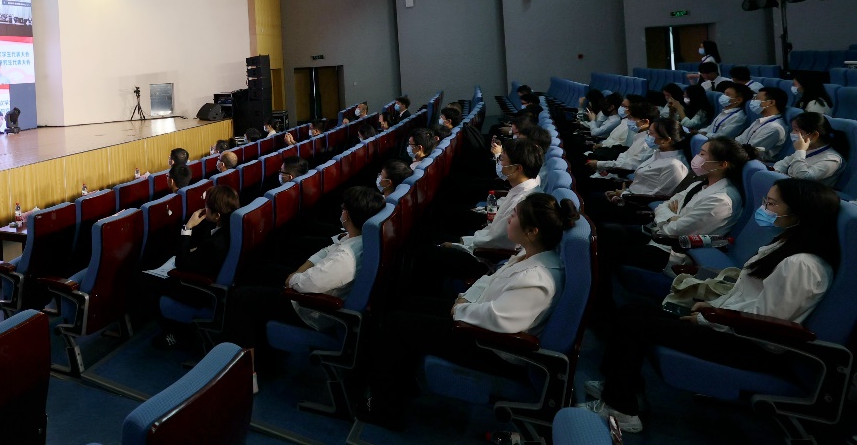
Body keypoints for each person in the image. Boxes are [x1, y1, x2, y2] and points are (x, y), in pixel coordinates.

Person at [584, 179, 840, 434]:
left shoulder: (801, 265)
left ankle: (622, 410)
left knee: (635, 323)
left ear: (799, 214)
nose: (764, 209)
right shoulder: (784, 245)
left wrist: (709, 317)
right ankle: (624, 390)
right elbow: (750, 298)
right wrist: (711, 305)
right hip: (732, 326)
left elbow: (766, 326)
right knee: (633, 312)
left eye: (772, 204)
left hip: (747, 345)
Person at [355, 193, 580, 430]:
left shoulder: (538, 279)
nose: (508, 219)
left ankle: (384, 410)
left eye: (514, 216)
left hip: (492, 348)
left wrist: (461, 310)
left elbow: (498, 321)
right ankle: (401, 382)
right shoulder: (529, 254)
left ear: (532, 231)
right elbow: (490, 279)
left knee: (395, 324)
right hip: (475, 316)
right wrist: (465, 299)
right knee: (407, 303)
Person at [220, 187, 387, 372]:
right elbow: (326, 251)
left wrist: (293, 278)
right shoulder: (359, 239)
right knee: (256, 273)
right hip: (310, 290)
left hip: (310, 308)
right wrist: (298, 272)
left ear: (347, 214)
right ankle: (264, 357)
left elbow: (303, 285)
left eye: (343, 208)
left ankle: (246, 373)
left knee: (239, 297)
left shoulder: (345, 258)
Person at [594, 137, 751, 307]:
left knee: (607, 251)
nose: (697, 157)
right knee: (607, 233)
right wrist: (671, 216)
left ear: (722, 164)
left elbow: (672, 231)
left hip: (672, 252)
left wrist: (671, 217)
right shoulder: (701, 183)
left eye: (702, 154)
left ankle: (602, 304)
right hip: (659, 235)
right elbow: (664, 205)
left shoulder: (721, 200)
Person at [143, 184, 240, 349]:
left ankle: (172, 333)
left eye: (207, 207)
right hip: (214, 283)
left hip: (200, 290)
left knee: (146, 281)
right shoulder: (230, 229)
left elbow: (181, 264)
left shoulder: (215, 243)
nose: (204, 209)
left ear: (217, 215)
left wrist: (187, 227)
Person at [585, 118, 691, 225]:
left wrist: (624, 195)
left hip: (639, 208)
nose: (647, 136)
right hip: (630, 196)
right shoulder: (658, 153)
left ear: (666, 140)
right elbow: (645, 182)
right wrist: (624, 191)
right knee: (591, 197)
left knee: (592, 203)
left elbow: (658, 198)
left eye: (651, 133)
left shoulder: (675, 166)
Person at [773, 112, 848, 188]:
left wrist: (800, 151)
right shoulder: (809, 149)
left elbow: (802, 178)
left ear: (815, 135)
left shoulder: (832, 159)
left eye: (796, 130)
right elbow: (782, 164)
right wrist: (777, 173)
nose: (792, 133)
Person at [734, 86, 789, 159]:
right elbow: (739, 140)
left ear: (771, 102)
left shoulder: (775, 128)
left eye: (757, 99)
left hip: (751, 160)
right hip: (739, 154)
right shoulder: (761, 121)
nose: (753, 101)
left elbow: (751, 150)